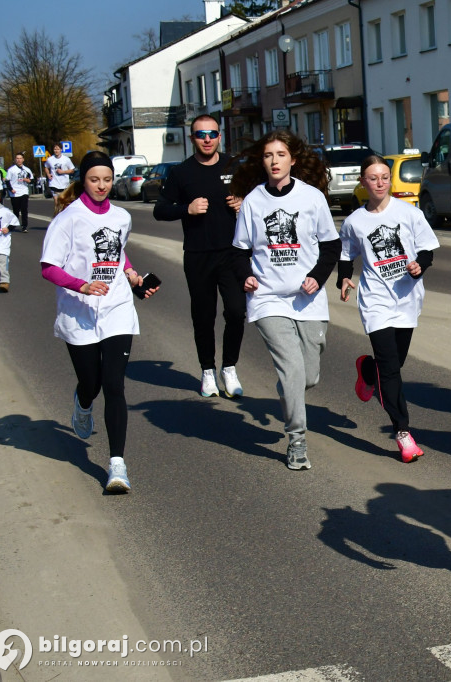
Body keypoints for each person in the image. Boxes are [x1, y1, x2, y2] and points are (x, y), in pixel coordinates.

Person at [39, 151, 159, 493]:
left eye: (107, 179)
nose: (102, 186)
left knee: (115, 385)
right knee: (90, 382)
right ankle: (83, 401)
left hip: (117, 307)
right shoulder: (69, 219)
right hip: (79, 310)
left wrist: (134, 277)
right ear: (83, 180)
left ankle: (117, 464)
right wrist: (82, 284)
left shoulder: (121, 216)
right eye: (95, 179)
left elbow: (117, 255)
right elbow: (48, 267)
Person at [230, 130, 339, 471]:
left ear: (292, 159)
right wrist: (244, 275)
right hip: (267, 299)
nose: (274, 161)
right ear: (261, 162)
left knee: (308, 376)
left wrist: (317, 277)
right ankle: (297, 441)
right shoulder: (254, 201)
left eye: (280, 155)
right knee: (292, 368)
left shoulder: (311, 198)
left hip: (308, 298)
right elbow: (239, 251)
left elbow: (331, 245)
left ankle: (288, 388)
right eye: (267, 155)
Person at [339, 155, 440, 463]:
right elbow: (347, 254)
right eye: (373, 178)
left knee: (395, 362)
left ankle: (366, 370)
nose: (380, 182)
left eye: (384, 177)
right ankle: (403, 432)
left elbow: (427, 251)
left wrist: (418, 266)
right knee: (392, 369)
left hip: (407, 299)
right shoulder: (355, 221)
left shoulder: (409, 213)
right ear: (363, 182)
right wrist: (343, 278)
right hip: (375, 301)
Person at [154, 115, 247, 399]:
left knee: (236, 312)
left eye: (212, 133)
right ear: (192, 138)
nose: (207, 139)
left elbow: (259, 199)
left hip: (233, 253)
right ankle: (207, 371)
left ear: (220, 136)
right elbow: (160, 210)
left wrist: (244, 203)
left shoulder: (235, 166)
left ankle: (229, 367)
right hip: (198, 255)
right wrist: (187, 209)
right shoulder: (181, 172)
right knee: (203, 317)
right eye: (200, 134)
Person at [5, 154, 34, 233]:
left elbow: (31, 179)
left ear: (23, 159)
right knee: (16, 211)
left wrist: (28, 180)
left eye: (20, 158)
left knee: (24, 210)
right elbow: (7, 181)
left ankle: (24, 226)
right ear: (15, 160)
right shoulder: (11, 170)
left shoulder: (27, 169)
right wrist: (11, 189)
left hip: (24, 191)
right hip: (15, 193)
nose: (19, 160)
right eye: (17, 158)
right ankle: (14, 224)